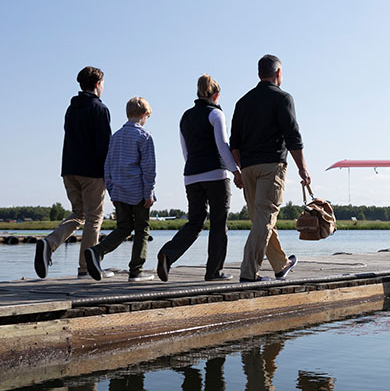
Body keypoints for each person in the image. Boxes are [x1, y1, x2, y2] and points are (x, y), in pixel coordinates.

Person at [230, 54, 311, 282]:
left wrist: (241, 169)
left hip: (248, 168)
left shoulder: (242, 102)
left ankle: (280, 264)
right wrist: (303, 169)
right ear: (278, 74)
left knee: (261, 218)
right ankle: (248, 273)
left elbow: (234, 143)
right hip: (271, 166)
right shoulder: (283, 98)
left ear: (259, 74)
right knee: (265, 218)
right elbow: (293, 136)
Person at [156, 74, 241, 282]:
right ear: (216, 95)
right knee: (219, 222)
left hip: (191, 176)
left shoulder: (185, 116)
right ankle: (214, 271)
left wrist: (193, 169)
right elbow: (222, 146)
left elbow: (185, 151)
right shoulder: (215, 114)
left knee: (195, 221)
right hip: (216, 175)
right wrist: (236, 171)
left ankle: (168, 253)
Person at [35, 66, 112, 279]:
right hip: (92, 172)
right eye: (103, 83)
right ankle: (86, 268)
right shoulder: (100, 109)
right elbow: (104, 145)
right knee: (94, 217)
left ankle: (49, 243)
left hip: (69, 169)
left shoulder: (72, 109)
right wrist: (109, 174)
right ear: (97, 84)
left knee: (79, 213)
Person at [84, 97, 156, 282]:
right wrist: (149, 192)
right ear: (143, 115)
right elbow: (148, 168)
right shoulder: (144, 136)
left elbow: (107, 166)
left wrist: (111, 190)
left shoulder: (115, 137)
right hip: (138, 192)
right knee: (142, 229)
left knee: (123, 227)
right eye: (147, 116)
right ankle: (135, 271)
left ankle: (97, 251)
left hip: (119, 192)